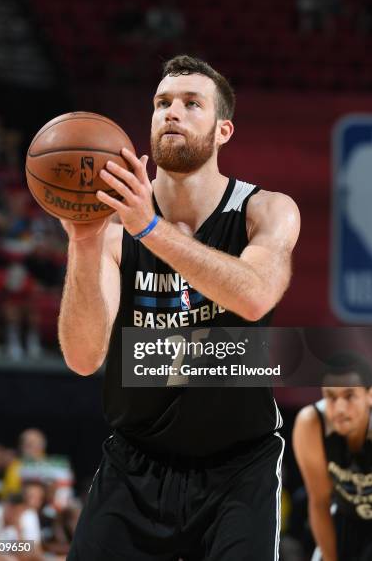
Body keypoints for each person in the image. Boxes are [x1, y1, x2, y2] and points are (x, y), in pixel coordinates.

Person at [59, 55, 300, 560]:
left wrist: (151, 229)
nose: (172, 112)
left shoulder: (265, 210)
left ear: (223, 130)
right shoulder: (112, 233)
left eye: (192, 104)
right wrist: (83, 242)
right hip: (134, 466)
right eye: (162, 103)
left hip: (239, 469)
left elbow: (255, 296)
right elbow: (83, 358)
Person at [293, 352, 372, 561]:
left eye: (349, 396)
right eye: (331, 396)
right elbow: (319, 502)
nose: (339, 408)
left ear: (370, 396)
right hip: (346, 518)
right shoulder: (311, 424)